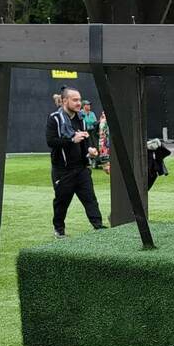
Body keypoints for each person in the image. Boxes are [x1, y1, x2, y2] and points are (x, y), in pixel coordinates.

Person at [46, 87, 105, 237]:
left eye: (79, 99)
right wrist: (72, 140)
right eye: (75, 100)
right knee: (62, 202)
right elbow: (51, 141)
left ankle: (99, 227)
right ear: (65, 101)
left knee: (90, 199)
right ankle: (59, 230)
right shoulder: (55, 118)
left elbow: (84, 142)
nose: (79, 103)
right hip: (63, 170)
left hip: (81, 168)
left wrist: (90, 150)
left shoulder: (81, 118)